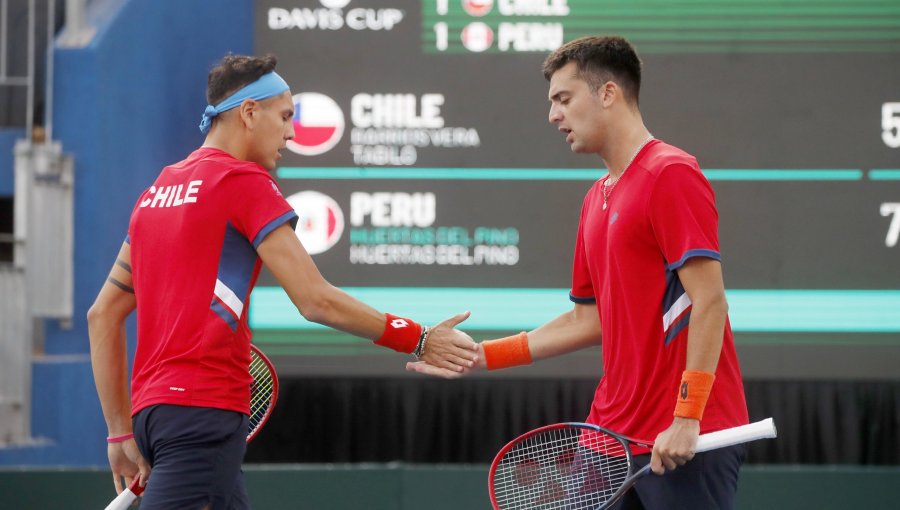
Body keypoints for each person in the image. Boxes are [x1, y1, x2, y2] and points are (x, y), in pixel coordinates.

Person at [87, 54, 478, 510]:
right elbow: (316, 301)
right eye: (286, 116)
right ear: (250, 113)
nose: (292, 133)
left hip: (153, 415)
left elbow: (102, 316)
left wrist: (119, 431)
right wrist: (419, 338)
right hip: (202, 411)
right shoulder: (244, 181)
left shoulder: (155, 193)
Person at [408, 36, 749, 509]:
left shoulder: (670, 173)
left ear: (607, 93)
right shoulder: (596, 198)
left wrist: (687, 416)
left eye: (563, 99)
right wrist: (483, 355)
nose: (553, 115)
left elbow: (709, 301)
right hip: (607, 434)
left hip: (685, 437)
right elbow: (586, 321)